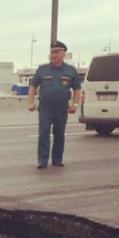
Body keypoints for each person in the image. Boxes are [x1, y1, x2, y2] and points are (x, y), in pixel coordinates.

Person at [28, 40, 82, 169]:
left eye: (57, 52)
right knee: (44, 133)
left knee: (59, 134)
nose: (54, 55)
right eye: (52, 52)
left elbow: (77, 89)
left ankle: (57, 159)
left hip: (61, 108)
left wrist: (75, 104)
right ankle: (42, 160)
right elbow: (33, 86)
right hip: (45, 108)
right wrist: (30, 102)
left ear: (64, 53)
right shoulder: (43, 69)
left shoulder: (70, 70)